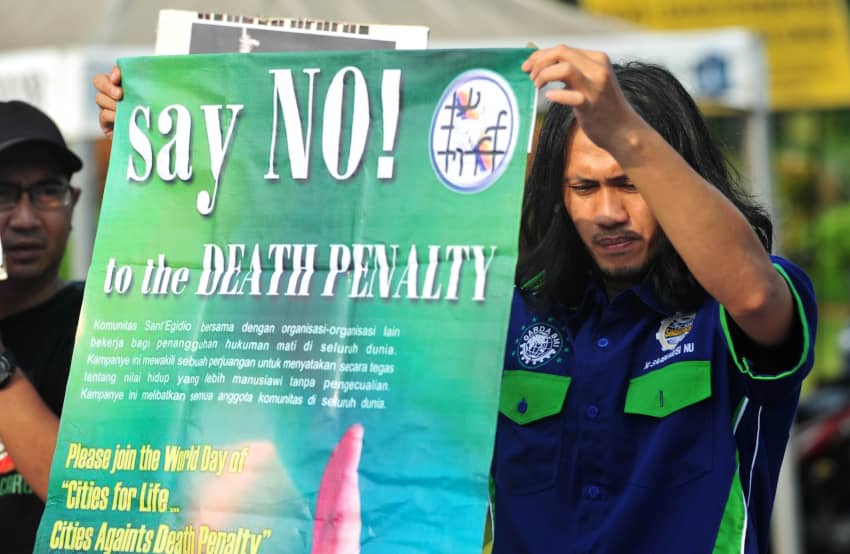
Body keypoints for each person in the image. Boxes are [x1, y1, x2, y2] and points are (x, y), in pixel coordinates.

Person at [489, 46, 816, 553]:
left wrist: (626, 131)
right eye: (583, 187)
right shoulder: (504, 310)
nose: (607, 212)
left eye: (630, 183)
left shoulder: (732, 304)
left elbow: (754, 297)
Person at [0, 100, 84, 552]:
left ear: (74, 204)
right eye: (3, 194)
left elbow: (78, 496)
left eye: (47, 192)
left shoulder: (103, 326)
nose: (25, 219)